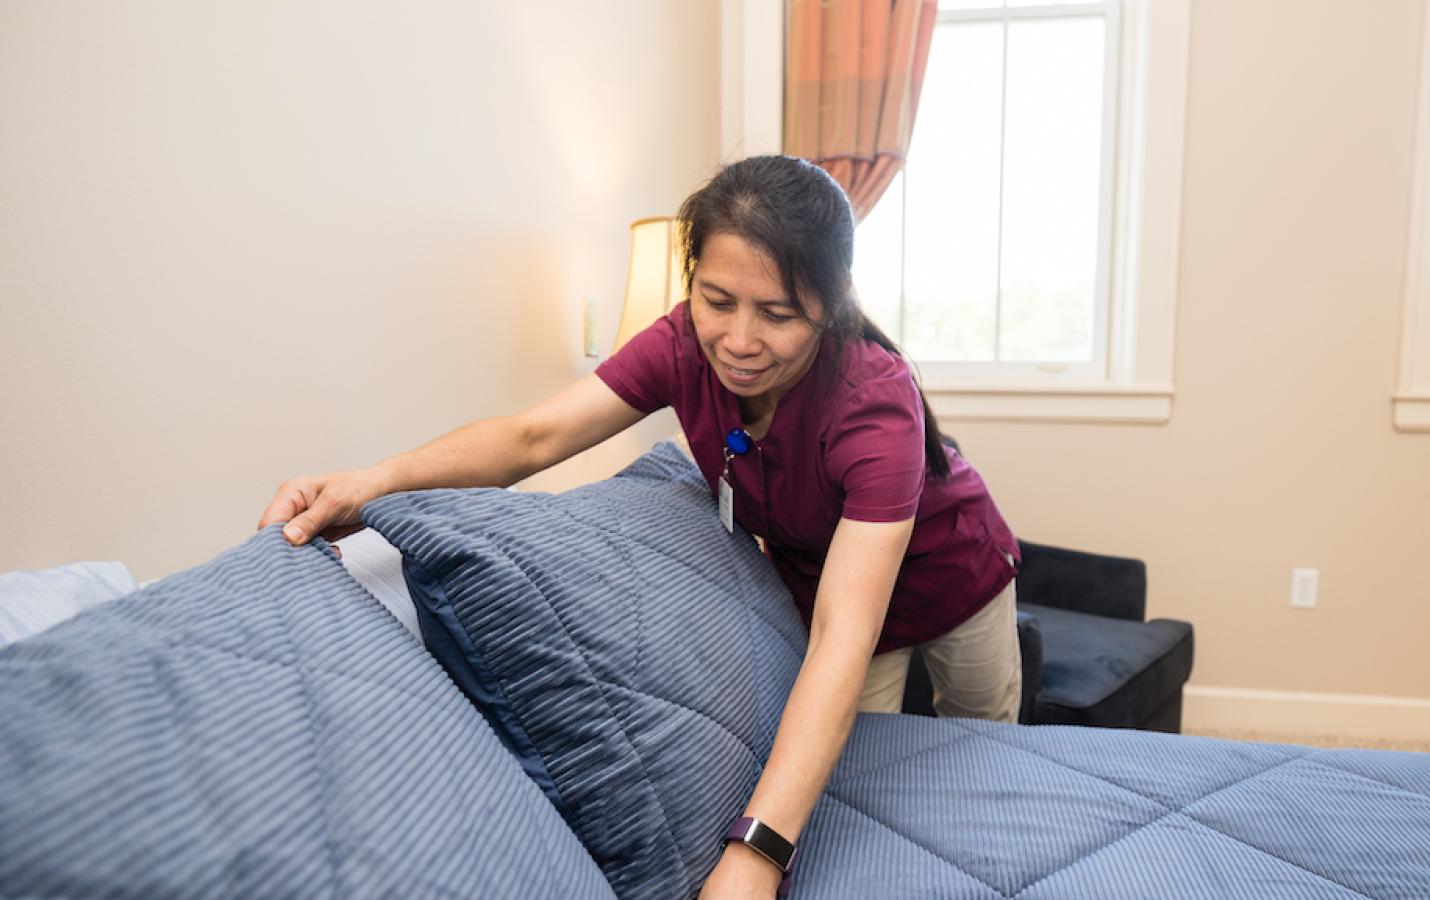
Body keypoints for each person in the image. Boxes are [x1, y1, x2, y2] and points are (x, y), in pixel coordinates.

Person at [258, 155, 1021, 899]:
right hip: (828, 581)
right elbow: (532, 439)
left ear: (837, 299)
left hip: (951, 573)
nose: (740, 341)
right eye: (717, 300)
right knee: (865, 767)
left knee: (984, 748)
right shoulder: (682, 345)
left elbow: (840, 637)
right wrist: (369, 487)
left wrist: (756, 854)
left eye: (778, 314)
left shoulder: (873, 402)